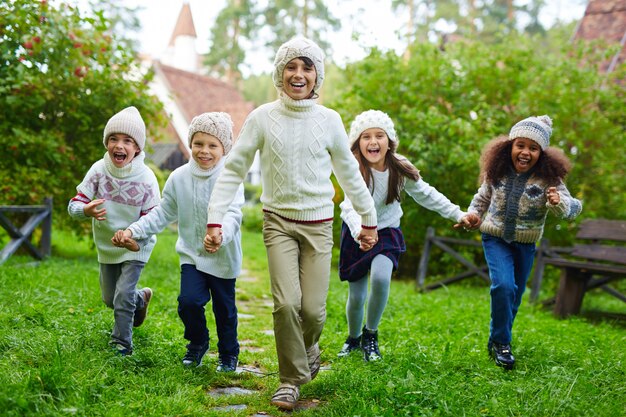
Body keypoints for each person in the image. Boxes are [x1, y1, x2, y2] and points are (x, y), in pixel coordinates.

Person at [203, 37, 378, 410]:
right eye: (291, 67)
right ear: (280, 73)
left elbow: (349, 174)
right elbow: (234, 169)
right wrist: (215, 218)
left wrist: (369, 220)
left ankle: (309, 345)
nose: (298, 75)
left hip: (318, 225)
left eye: (307, 67)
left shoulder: (329, 121)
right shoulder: (262, 118)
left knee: (312, 310)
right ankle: (290, 381)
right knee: (286, 304)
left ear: (317, 77)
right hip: (278, 222)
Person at [337, 110, 479, 362]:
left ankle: (371, 335)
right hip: (356, 231)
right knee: (357, 296)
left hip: (387, 231)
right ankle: (353, 338)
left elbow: (427, 194)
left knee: (381, 278)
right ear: (357, 143)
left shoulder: (399, 169)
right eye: (366, 136)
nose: (373, 141)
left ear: (389, 141)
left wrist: (458, 214)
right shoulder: (353, 169)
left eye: (379, 135)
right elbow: (348, 205)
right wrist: (360, 231)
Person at [111, 112, 244, 372]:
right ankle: (197, 343)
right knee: (188, 302)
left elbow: (233, 213)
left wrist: (221, 234)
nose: (204, 151)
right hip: (192, 255)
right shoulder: (179, 177)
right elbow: (161, 213)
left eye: (212, 145)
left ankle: (229, 354)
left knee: (224, 310)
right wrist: (133, 230)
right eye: (198, 143)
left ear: (224, 148)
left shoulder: (230, 177)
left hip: (223, 257)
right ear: (190, 143)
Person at [459, 115, 582, 369]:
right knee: (503, 286)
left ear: (542, 154)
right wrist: (471, 216)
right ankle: (503, 344)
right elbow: (481, 200)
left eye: (533, 148)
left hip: (526, 244)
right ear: (510, 147)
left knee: (514, 297)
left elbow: (574, 208)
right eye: (521, 145)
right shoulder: (498, 171)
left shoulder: (549, 180)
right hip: (494, 237)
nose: (526, 152)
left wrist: (558, 203)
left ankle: (496, 340)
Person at [68, 106, 160, 356]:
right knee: (111, 298)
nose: (119, 145)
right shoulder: (99, 170)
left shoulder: (146, 177)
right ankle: (140, 299)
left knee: (122, 296)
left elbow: (153, 217)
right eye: (114, 139)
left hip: (136, 245)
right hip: (108, 244)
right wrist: (85, 210)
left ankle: (122, 343)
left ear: (137, 148)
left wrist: (133, 237)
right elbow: (74, 203)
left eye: (127, 141)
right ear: (107, 143)